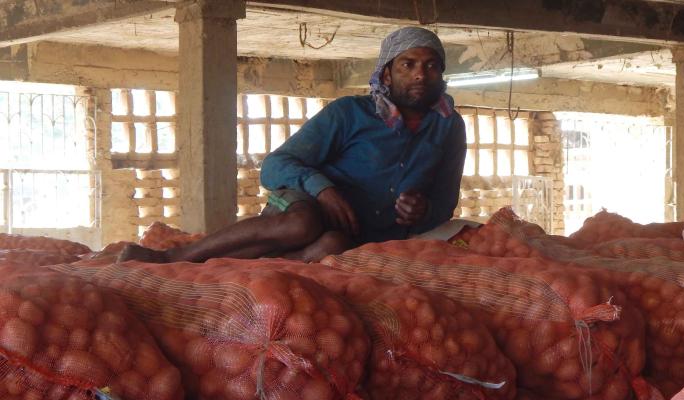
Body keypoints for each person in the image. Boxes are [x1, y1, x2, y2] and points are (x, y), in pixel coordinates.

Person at [119, 26, 466, 263]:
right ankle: (173, 257)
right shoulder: (349, 113)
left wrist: (424, 210)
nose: (420, 74)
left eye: (431, 66)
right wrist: (323, 190)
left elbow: (445, 202)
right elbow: (275, 165)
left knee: (332, 248)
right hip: (305, 208)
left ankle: (267, 266)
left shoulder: (449, 127)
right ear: (387, 74)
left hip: (359, 233)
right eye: (408, 64)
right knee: (302, 226)